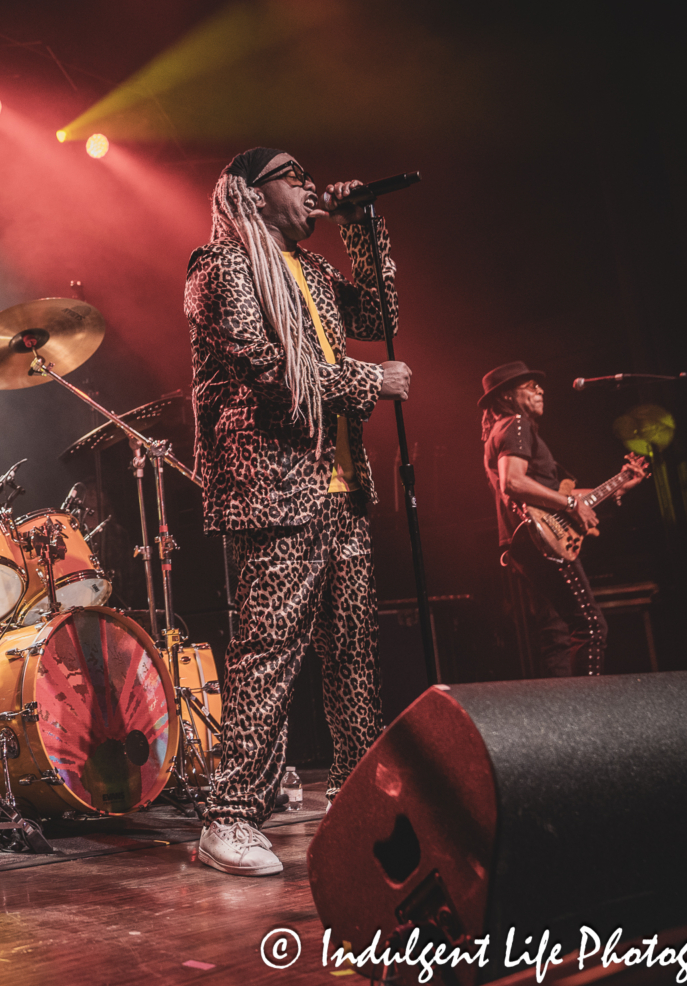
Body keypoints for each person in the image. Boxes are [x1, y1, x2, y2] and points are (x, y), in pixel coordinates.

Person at [183, 147, 412, 876]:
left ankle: (361, 795)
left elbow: (378, 312)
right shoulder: (219, 269)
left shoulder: (309, 270)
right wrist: (370, 379)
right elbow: (272, 371)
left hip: (340, 484)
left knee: (351, 655)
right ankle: (228, 816)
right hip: (275, 486)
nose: (311, 186)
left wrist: (362, 225)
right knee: (269, 655)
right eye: (295, 176)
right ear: (251, 194)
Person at [479, 361, 642, 678]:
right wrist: (570, 503)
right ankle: (589, 713)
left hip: (526, 541)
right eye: (529, 386)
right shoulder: (515, 424)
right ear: (506, 397)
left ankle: (562, 719)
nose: (540, 390)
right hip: (543, 541)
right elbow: (512, 482)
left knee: (556, 635)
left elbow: (545, 493)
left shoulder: (502, 431)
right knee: (591, 627)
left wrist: (620, 483)